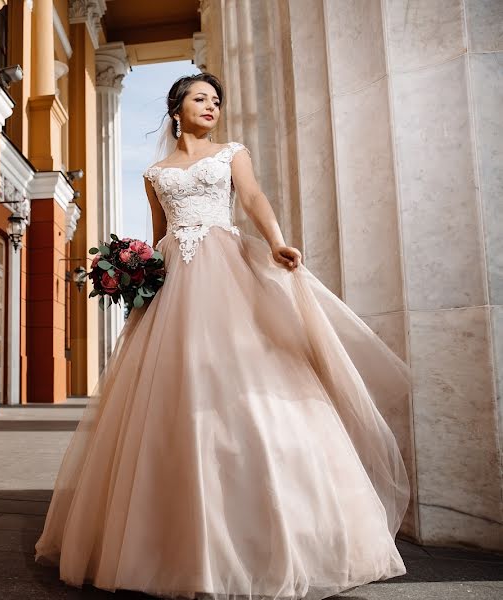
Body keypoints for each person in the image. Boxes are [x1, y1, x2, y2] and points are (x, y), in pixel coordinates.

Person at [35, 73, 412, 600]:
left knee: (249, 380)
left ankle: (278, 530)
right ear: (176, 108)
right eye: (200, 98)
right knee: (172, 393)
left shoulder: (231, 153)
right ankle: (172, 540)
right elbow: (159, 231)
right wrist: (135, 271)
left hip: (226, 268)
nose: (211, 106)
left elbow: (252, 196)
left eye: (216, 100)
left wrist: (278, 242)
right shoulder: (155, 172)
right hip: (175, 281)